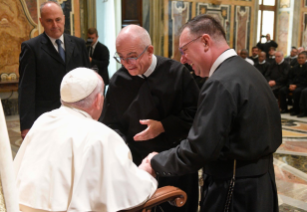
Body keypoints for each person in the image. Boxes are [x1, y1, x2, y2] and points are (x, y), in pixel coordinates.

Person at [141, 14, 282, 212]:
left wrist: (155, 161)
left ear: (205, 41)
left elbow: (199, 149)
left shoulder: (220, 83)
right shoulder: (248, 72)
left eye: (184, 50)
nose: (182, 59)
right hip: (261, 185)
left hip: (235, 190)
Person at [14, 68, 157, 212]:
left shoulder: (43, 121)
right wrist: (145, 171)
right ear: (98, 101)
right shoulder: (101, 135)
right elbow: (127, 192)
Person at [100, 25, 199, 212]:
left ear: (150, 51)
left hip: (175, 161)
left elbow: (196, 114)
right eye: (120, 57)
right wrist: (122, 146)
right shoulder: (118, 81)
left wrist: (162, 126)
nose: (126, 63)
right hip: (135, 166)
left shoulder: (177, 73)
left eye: (132, 56)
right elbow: (110, 124)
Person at [18, 1, 90, 139]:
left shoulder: (79, 44)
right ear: (41, 21)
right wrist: (26, 125)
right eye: (49, 21)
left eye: (58, 20)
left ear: (64, 18)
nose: (55, 25)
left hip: (78, 116)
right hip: (47, 119)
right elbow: (26, 89)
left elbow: (88, 80)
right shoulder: (31, 48)